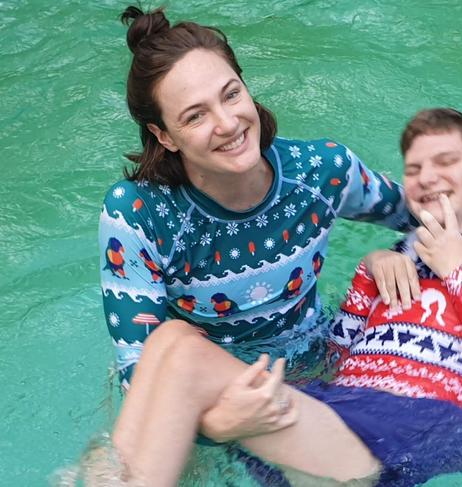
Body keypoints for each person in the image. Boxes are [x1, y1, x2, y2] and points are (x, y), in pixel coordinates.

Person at [96, 107, 462, 487]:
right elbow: (340, 354)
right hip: (341, 408)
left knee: (185, 359)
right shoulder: (405, 249)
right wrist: (370, 270)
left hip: (407, 430)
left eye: (446, 161)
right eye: (414, 169)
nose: (428, 178)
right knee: (170, 338)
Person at [99, 4, 422, 460]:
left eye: (231, 94)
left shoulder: (321, 172)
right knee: (125, 443)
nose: (227, 124)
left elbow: (436, 219)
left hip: (316, 367)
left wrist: (400, 256)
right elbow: (140, 376)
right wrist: (218, 424)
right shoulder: (138, 214)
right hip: (201, 393)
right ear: (164, 134)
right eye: (195, 116)